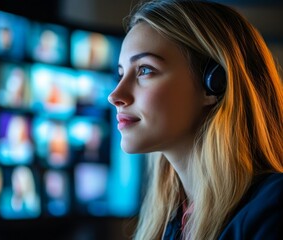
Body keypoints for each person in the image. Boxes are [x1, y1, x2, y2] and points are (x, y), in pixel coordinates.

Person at [107, 1, 283, 239]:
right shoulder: (176, 223)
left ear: (214, 82)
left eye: (145, 70)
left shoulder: (273, 210)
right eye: (120, 74)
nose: (115, 95)